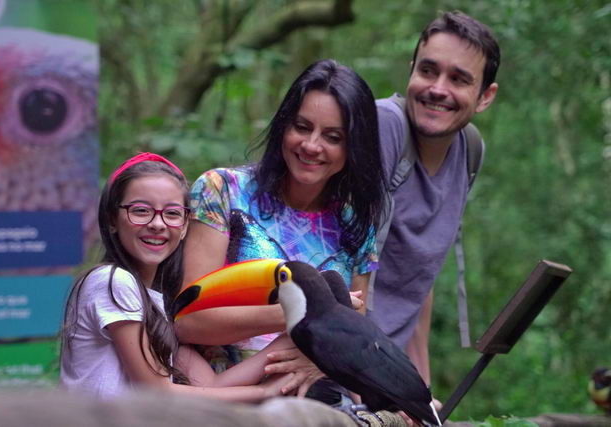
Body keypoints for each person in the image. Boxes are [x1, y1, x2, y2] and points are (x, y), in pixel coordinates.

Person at [175, 59, 387, 396]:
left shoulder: (355, 223)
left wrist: (322, 358)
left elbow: (354, 338)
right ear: (283, 126)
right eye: (302, 127)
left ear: (352, 148)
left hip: (317, 404)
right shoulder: (223, 191)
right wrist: (304, 315)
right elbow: (188, 322)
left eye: (332, 137)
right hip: (222, 400)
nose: (312, 145)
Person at [60, 152, 296, 401]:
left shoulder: (157, 305)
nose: (157, 224)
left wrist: (293, 337)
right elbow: (157, 391)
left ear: (184, 227)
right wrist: (263, 391)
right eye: (141, 211)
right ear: (112, 220)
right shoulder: (113, 281)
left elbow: (212, 386)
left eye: (172, 214)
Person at [369, 11, 500, 391]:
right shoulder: (383, 126)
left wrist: (419, 387)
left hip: (388, 369)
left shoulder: (470, 150)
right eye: (428, 71)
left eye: (459, 79)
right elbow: (337, 260)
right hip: (341, 365)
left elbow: (417, 281)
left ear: (485, 97)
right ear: (411, 70)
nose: (438, 88)